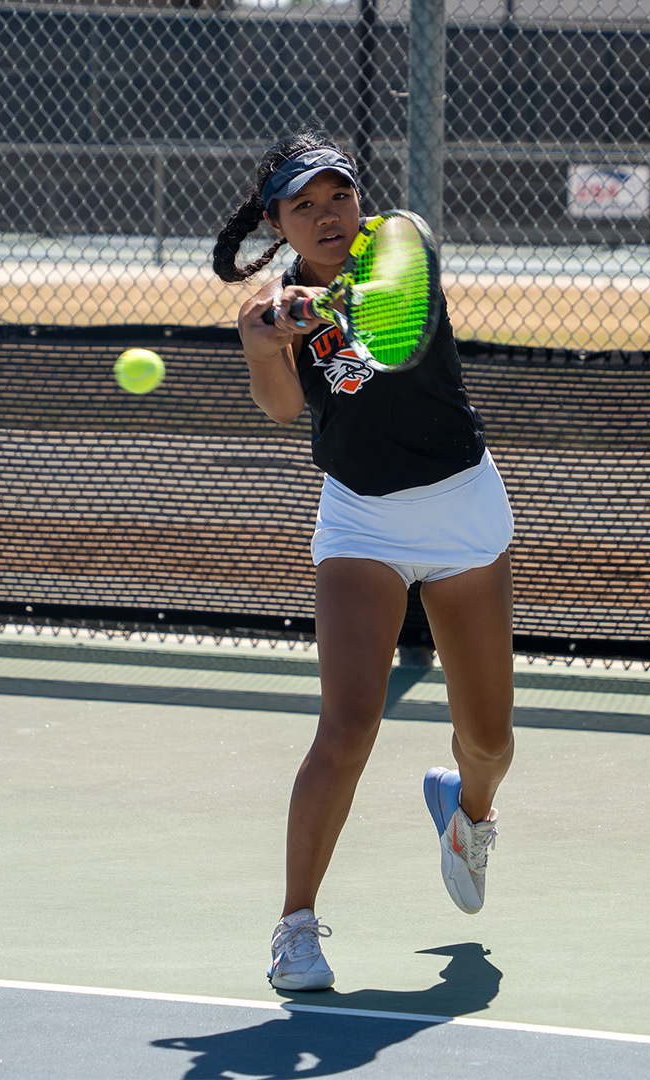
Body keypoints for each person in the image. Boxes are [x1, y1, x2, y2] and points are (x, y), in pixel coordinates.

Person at [212, 132, 515, 992]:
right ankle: (295, 927)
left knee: (490, 739)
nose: (326, 215)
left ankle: (469, 812)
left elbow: (393, 319)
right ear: (277, 222)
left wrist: (325, 308)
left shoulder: (400, 241)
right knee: (347, 726)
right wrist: (263, 341)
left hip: (459, 508)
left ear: (359, 199)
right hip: (361, 520)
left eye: (335, 196)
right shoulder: (279, 301)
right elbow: (279, 411)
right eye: (302, 205)